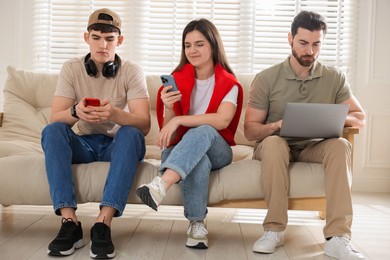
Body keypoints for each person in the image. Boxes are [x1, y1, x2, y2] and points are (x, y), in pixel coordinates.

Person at [244, 11, 366, 260]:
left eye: (316, 44)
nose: (310, 50)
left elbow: (359, 118)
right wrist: (276, 126)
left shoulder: (334, 77)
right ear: (290, 38)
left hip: (313, 146)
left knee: (340, 145)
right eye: (303, 43)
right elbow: (250, 129)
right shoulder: (267, 78)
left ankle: (337, 238)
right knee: (276, 144)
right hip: (275, 145)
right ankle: (274, 230)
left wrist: (329, 116)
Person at [41, 8, 150, 259]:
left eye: (110, 39)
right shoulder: (71, 68)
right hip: (84, 144)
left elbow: (144, 125)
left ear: (119, 41)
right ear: (86, 38)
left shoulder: (132, 71)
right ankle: (70, 223)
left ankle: (103, 223)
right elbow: (55, 118)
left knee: (132, 134)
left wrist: (114, 114)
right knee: (53, 130)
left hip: (117, 144)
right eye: (96, 37)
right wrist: (75, 111)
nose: (102, 44)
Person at [136, 18, 243, 249]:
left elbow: (222, 120)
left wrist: (182, 120)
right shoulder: (175, 80)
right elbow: (171, 138)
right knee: (198, 161)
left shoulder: (229, 83)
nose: (192, 50)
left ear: (213, 46)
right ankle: (196, 225)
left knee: (204, 129)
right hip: (181, 151)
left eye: (199, 44)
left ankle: (161, 184)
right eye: (187, 45)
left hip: (218, 150)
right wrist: (168, 108)